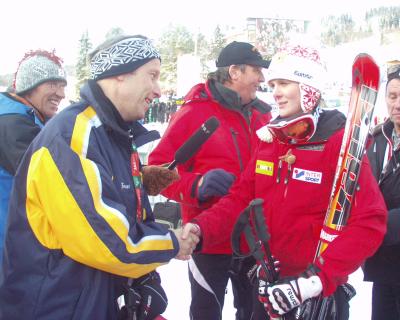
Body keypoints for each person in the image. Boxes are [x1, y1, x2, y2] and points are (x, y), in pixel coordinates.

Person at [0, 35, 199, 320]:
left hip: (90, 299)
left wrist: (139, 180)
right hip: (55, 306)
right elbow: (109, 241)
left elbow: (122, 209)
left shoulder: (113, 135)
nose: (158, 89)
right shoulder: (72, 135)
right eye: (152, 75)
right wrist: (172, 242)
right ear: (119, 74)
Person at [183, 44, 387, 319]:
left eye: (284, 83)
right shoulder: (270, 141)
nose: (275, 92)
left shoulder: (337, 142)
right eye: (273, 84)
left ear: (308, 87)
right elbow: (240, 200)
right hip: (269, 287)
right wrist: (200, 228)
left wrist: (315, 281)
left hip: (315, 292)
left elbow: (370, 221)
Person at [148, 41, 272, 320]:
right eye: (256, 70)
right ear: (234, 72)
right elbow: (156, 172)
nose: (262, 79)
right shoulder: (194, 113)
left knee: (256, 313)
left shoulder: (262, 115)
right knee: (207, 314)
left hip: (255, 238)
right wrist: (197, 185)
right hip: (209, 238)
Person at [0, 49, 67, 260]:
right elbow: (51, 179)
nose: (61, 94)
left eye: (63, 86)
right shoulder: (13, 123)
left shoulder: (26, 118)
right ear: (29, 86)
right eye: (52, 84)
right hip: (10, 247)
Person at [363, 66, 400, 320]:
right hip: (383, 261)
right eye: (393, 96)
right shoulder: (377, 140)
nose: (397, 104)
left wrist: (382, 224)